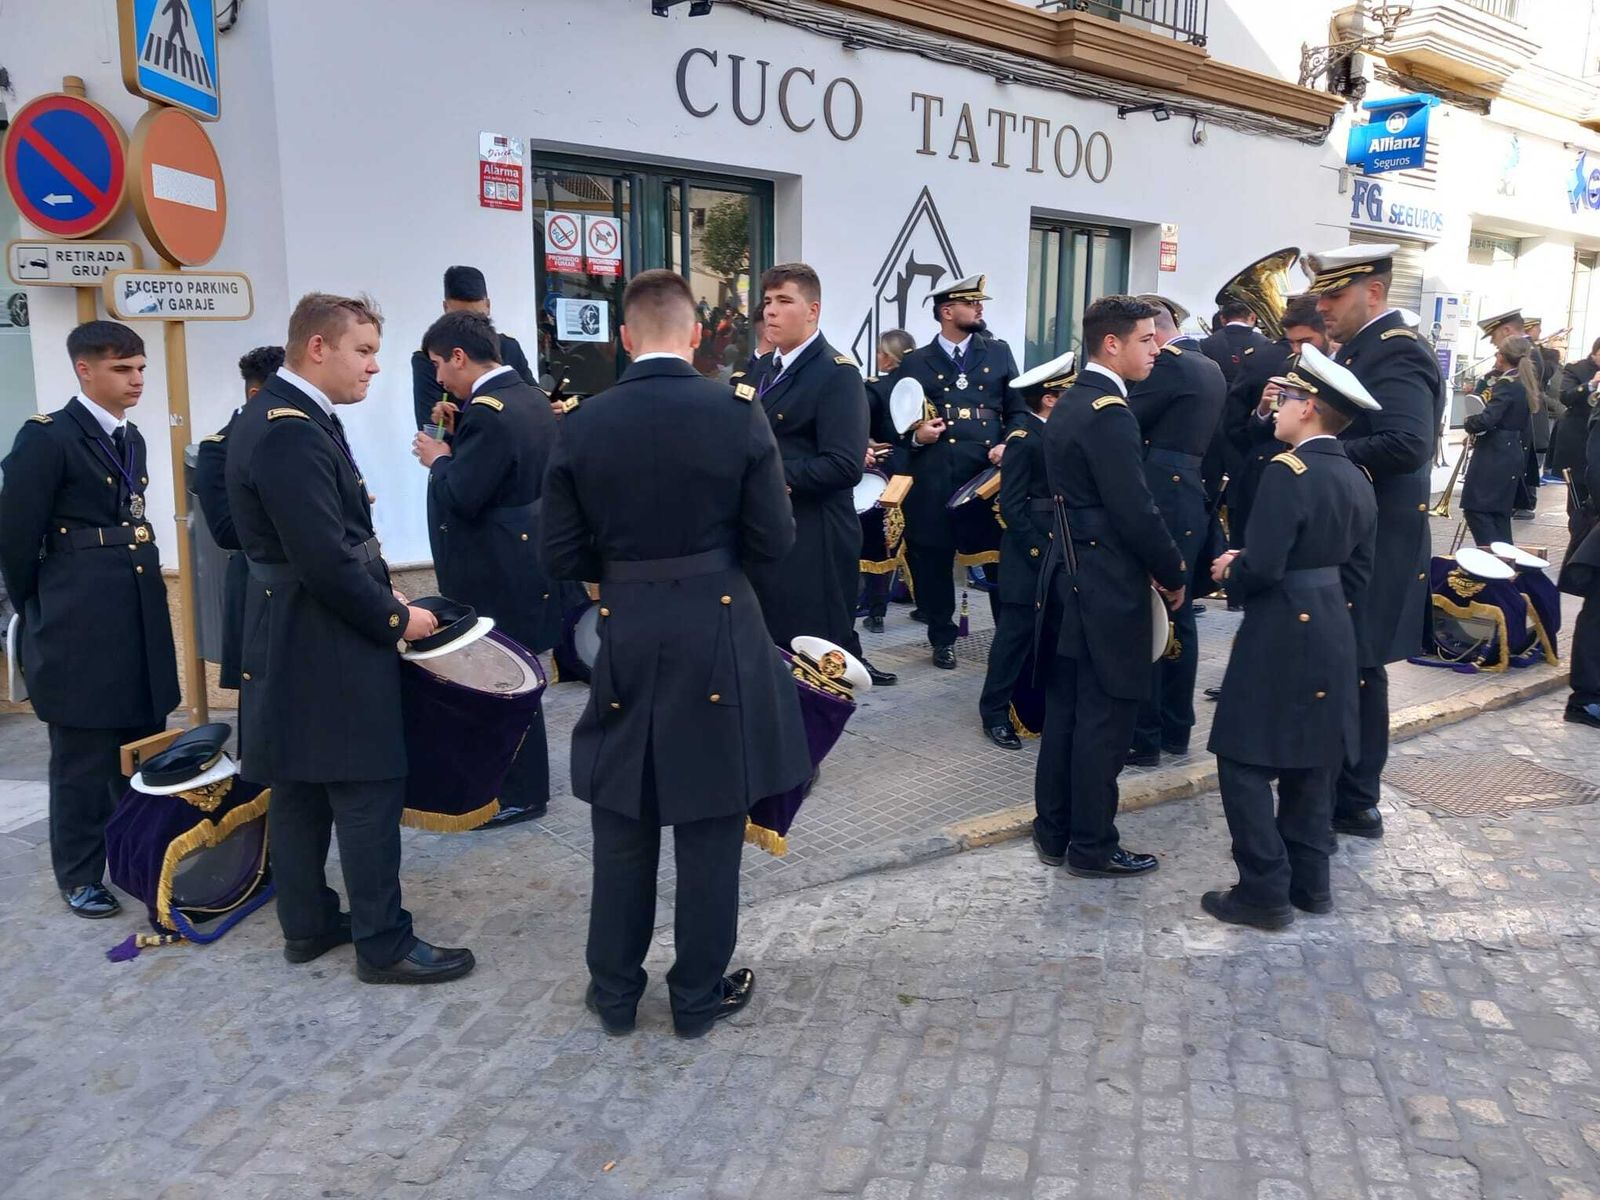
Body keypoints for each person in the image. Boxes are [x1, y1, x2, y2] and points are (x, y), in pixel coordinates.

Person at [542, 269, 811, 1038]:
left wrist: (618, 571)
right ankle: (696, 998)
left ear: (625, 337)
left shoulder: (584, 422)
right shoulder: (736, 412)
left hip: (625, 626)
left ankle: (616, 993)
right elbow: (774, 540)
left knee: (624, 815)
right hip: (717, 628)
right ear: (695, 335)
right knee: (709, 821)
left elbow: (558, 552)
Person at [227, 292, 473, 984]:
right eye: (362, 351)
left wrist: (384, 587)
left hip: (301, 627)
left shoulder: (291, 416)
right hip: (322, 636)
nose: (373, 367)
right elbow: (325, 560)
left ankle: (306, 926)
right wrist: (399, 618)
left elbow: (332, 542)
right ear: (317, 348)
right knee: (366, 785)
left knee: (302, 784)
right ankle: (382, 943)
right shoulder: (288, 429)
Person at [0, 321, 180, 919]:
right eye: (121, 369)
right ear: (84, 369)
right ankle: (79, 874)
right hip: (78, 622)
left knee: (142, 742)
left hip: (135, 618)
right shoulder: (47, 438)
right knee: (82, 756)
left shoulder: (132, 438)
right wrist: (40, 609)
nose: (136, 381)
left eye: (141, 369)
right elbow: (17, 540)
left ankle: (141, 858)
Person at [1203, 345, 1379, 929]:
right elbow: (1359, 566)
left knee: (1242, 757)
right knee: (1312, 756)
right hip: (1332, 623)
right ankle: (1310, 884)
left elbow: (1268, 565)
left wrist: (1233, 569)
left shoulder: (1287, 471)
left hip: (1281, 625)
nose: (1275, 407)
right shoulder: (1355, 474)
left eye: (1285, 398)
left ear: (1310, 408)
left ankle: (1263, 890)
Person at [1032, 296, 1186, 878]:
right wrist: (1172, 573)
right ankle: (1092, 845)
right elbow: (1136, 512)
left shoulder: (1072, 401)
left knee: (1068, 713)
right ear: (1112, 344)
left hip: (1070, 577)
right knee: (1104, 721)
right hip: (1105, 587)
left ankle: (1055, 833)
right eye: (1147, 339)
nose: (1157, 348)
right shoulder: (1109, 412)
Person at [1307, 243, 1441, 841]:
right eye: (1322, 296)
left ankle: (1355, 798)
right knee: (1353, 668)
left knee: (1359, 668)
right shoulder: (1363, 351)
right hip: (1360, 535)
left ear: (1375, 293)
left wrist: (1318, 449)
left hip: (1379, 541)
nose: (1324, 306)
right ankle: (1348, 792)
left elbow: (1408, 444)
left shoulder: (1395, 353)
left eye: (1335, 295)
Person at [411, 310, 561, 825]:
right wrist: (458, 444)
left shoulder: (491, 412)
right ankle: (517, 785)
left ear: (459, 356)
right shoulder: (526, 395)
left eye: (438, 363)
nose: (437, 377)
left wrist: (438, 458)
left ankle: (520, 792)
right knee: (516, 675)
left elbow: (466, 495)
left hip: (495, 565)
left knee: (505, 681)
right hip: (520, 557)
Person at [741, 264, 885, 685]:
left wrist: (766, 476)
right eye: (767, 302)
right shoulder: (765, 370)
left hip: (814, 537)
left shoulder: (836, 373)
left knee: (810, 656)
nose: (771, 311)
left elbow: (843, 464)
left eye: (784, 301)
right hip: (769, 529)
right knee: (770, 647)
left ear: (812, 310)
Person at [886, 274, 1022, 668]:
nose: (980, 308)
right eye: (971, 303)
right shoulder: (915, 361)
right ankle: (941, 636)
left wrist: (1008, 440)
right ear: (948, 312)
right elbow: (895, 420)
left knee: (999, 558)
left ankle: (1007, 637)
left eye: (980, 303)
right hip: (934, 473)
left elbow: (1016, 407)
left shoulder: (997, 353)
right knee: (932, 558)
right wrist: (917, 436)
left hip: (984, 473)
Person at [1127, 296, 1225, 764]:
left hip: (1162, 498)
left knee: (1150, 614)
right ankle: (1176, 728)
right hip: (1190, 495)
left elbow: (1126, 418)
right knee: (1178, 615)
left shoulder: (1170, 366)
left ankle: (1143, 737)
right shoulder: (1208, 366)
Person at [977, 349, 1073, 750]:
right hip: (1028, 555)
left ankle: (1042, 709)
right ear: (1049, 398)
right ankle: (995, 713)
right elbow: (1011, 506)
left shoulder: (1060, 434)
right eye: (1066, 391)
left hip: (1059, 549)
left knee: (1052, 635)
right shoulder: (1023, 439)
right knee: (1013, 638)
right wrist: (1038, 550)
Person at [195, 346, 284, 699]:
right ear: (256, 395)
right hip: (256, 581)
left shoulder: (304, 433)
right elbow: (227, 531)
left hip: (304, 582)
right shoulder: (219, 448)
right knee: (261, 702)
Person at [411, 266, 535, 429]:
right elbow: (432, 430)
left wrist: (551, 405)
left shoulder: (509, 347)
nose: (469, 328)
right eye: (460, 320)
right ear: (446, 309)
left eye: (478, 319)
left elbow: (531, 399)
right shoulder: (429, 359)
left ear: (488, 306)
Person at [859, 329, 917, 634]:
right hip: (918, 470)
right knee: (919, 540)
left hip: (886, 472)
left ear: (888, 356)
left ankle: (877, 612)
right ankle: (926, 606)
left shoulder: (875, 388)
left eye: (882, 352)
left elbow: (861, 429)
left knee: (882, 540)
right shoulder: (923, 388)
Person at [1461, 335, 1538, 547]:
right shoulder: (1522, 382)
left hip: (1495, 453)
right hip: (1510, 451)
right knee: (1498, 514)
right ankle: (1507, 563)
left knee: (1477, 510)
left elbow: (1488, 419)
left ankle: (1496, 563)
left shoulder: (1507, 384)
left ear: (1502, 357)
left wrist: (1469, 422)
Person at [1554, 338, 1600, 481]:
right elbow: (1565, 397)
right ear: (1595, 352)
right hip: (1580, 434)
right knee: (1578, 486)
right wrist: (1591, 384)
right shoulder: (1576, 368)